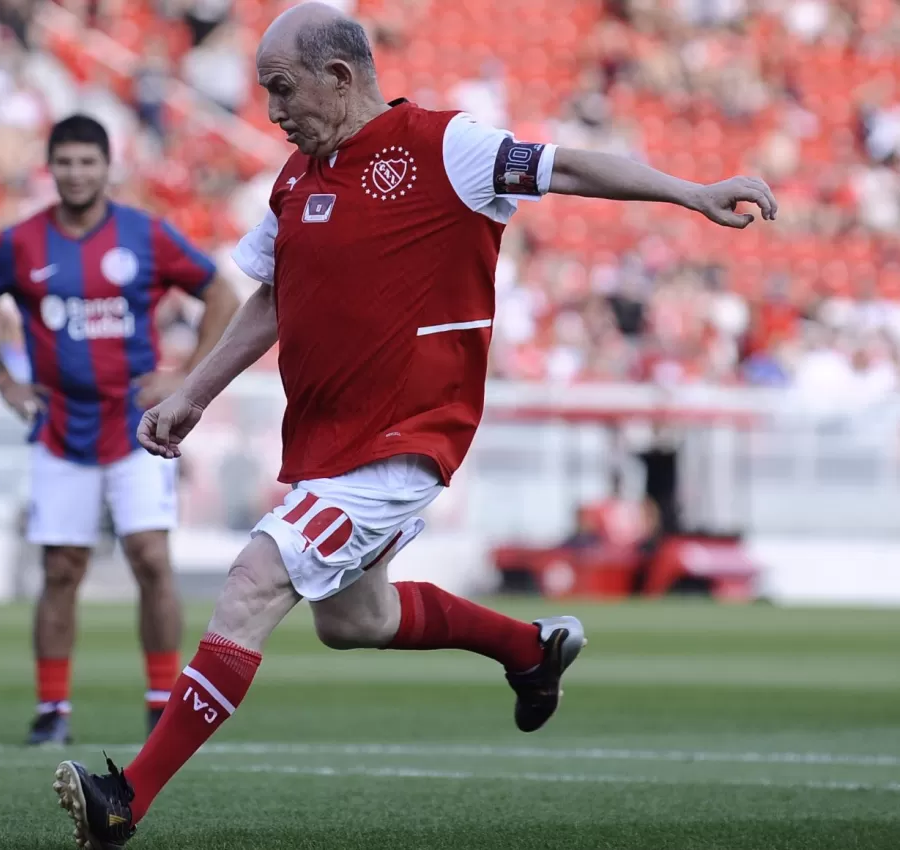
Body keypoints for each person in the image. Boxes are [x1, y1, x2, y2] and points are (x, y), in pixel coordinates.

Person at [51, 4, 777, 846]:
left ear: (340, 76)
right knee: (354, 621)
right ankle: (529, 649)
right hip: (327, 447)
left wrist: (690, 192)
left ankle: (124, 801)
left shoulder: (444, 146)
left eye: (282, 90)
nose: (273, 112)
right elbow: (271, 297)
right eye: (263, 94)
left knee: (253, 580)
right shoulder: (294, 179)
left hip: (404, 443)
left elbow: (569, 166)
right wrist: (192, 396)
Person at [0, 115, 240, 745]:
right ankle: (53, 711)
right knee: (61, 569)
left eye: (88, 162)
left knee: (151, 560)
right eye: (65, 162)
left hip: (137, 427)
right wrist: (5, 380)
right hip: (59, 426)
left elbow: (220, 295)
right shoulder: (21, 243)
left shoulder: (145, 235)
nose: (77, 173)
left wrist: (185, 377)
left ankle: (163, 705)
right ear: (49, 168)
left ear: (108, 167)